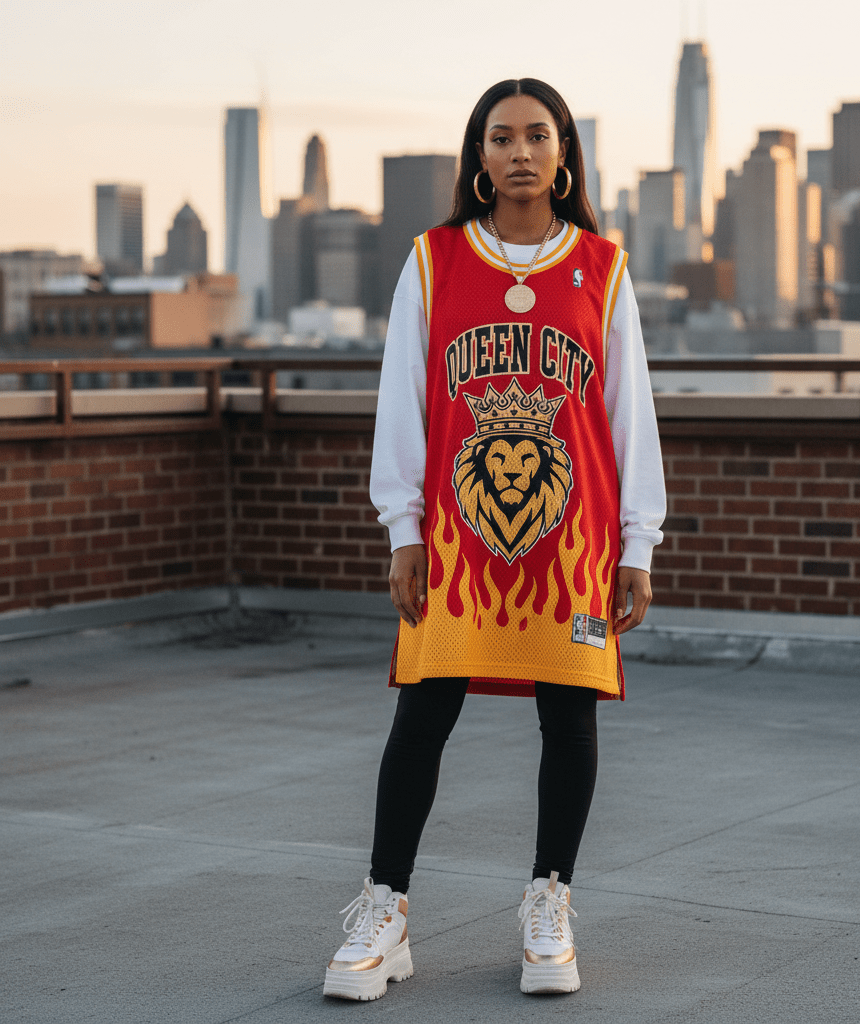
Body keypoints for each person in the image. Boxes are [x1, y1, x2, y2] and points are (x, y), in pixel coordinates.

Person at [323, 78, 665, 1001]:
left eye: (537, 136)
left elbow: (629, 414)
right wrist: (403, 529)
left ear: (564, 155)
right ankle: (385, 909)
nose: (520, 152)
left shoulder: (604, 266)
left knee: (570, 716)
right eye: (502, 136)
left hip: (573, 539)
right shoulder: (433, 260)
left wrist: (638, 542)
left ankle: (550, 902)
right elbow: (403, 400)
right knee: (424, 712)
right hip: (458, 537)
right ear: (479, 155)